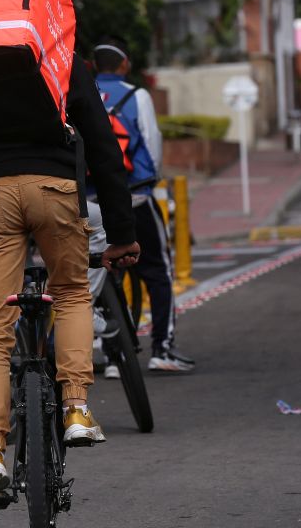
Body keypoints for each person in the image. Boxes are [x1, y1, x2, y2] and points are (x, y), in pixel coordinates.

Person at [0, 54, 141, 515]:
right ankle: (76, 409)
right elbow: (101, 143)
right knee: (71, 292)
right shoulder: (59, 54)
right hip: (56, 188)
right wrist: (121, 232)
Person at [93, 36, 196, 373]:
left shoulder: (79, 94)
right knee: (157, 272)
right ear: (124, 64)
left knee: (106, 275)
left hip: (91, 202)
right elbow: (151, 146)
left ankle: (113, 356)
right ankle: (162, 350)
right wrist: (150, 184)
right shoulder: (136, 96)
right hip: (133, 196)